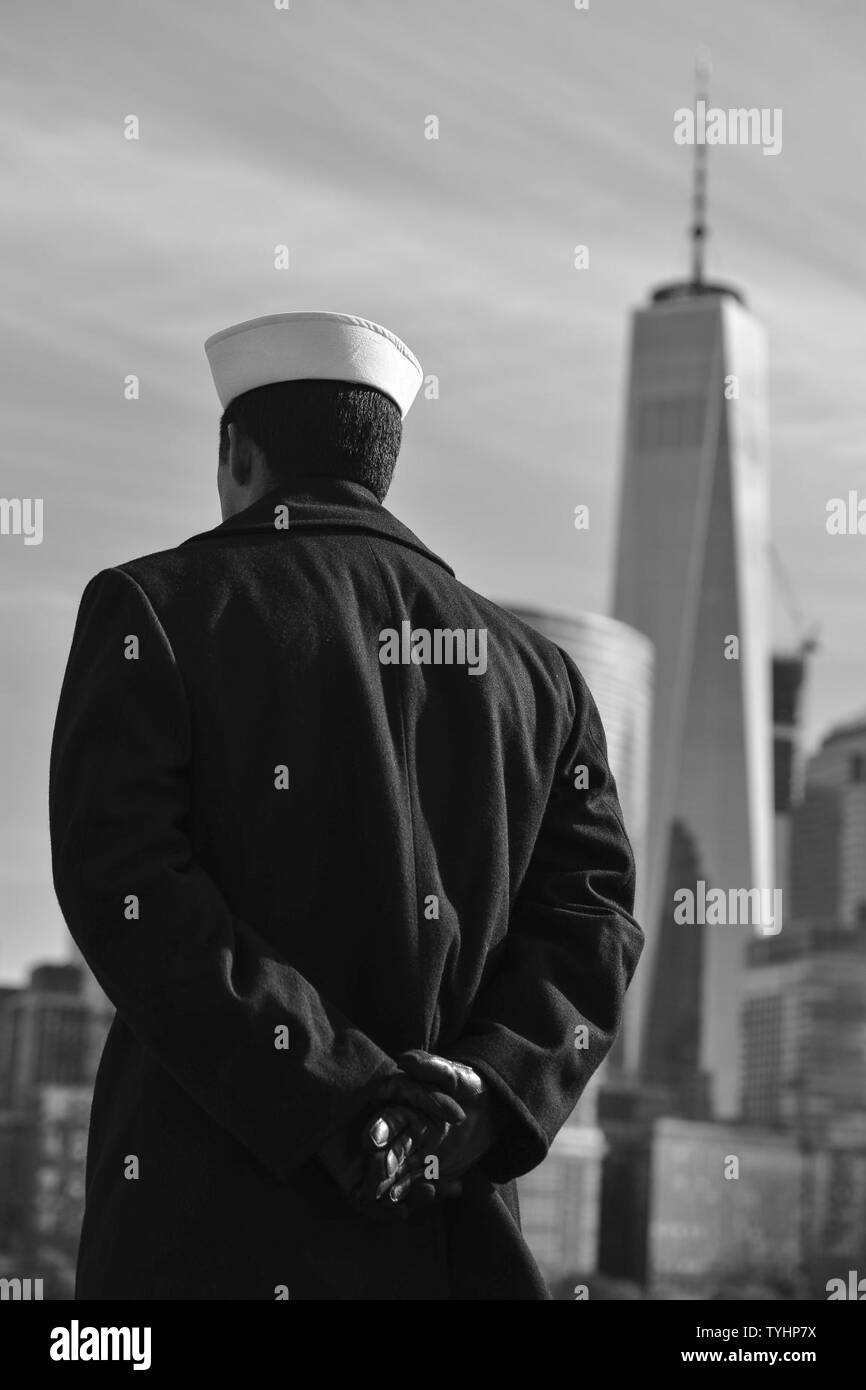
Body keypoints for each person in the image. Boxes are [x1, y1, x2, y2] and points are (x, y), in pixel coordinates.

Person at [49, 310, 643, 1300]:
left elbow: (128, 887)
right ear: (383, 467)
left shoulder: (153, 610)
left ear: (235, 452)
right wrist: (486, 1095)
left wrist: (335, 1094)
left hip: (202, 1241)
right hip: (447, 1246)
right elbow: (592, 918)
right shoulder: (544, 680)